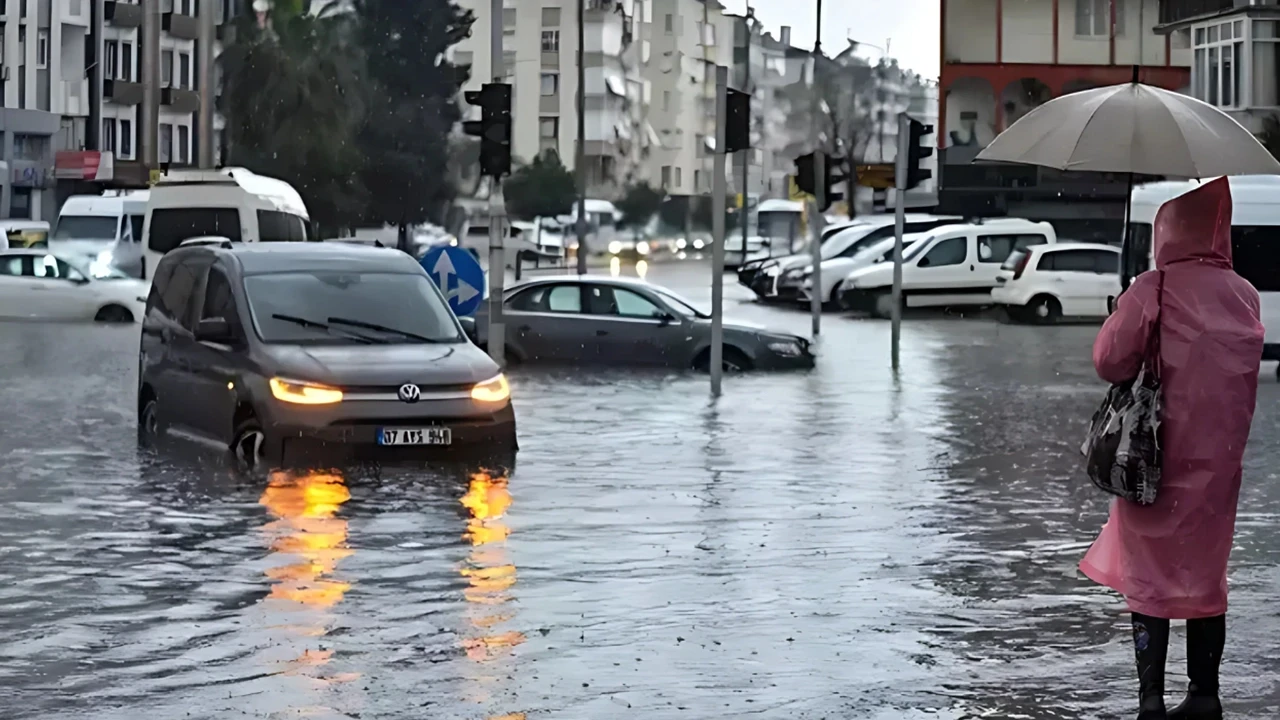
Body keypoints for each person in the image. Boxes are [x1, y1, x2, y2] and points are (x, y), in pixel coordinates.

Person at [1080, 177, 1264, 720]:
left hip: (1153, 458)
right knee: (1207, 573)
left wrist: (1123, 311)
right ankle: (1205, 695)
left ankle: (1151, 702)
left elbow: (1110, 364)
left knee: (1149, 577)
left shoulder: (1152, 288)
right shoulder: (1245, 294)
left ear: (1166, 231)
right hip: (1220, 463)